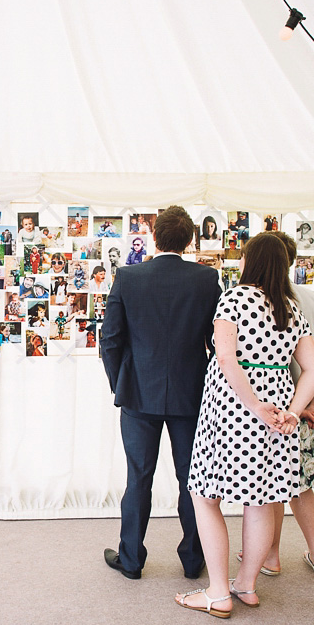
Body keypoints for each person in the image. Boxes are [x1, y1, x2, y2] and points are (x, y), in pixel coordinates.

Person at [177, 232, 314, 619]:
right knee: (260, 501)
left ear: (250, 261)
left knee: (205, 496)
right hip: (277, 410)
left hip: (233, 407)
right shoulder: (292, 307)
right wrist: (292, 410)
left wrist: (256, 405)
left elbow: (226, 358)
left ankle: (218, 592)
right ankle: (246, 584)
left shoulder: (235, 298)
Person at [100, 206, 221, 582]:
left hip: (138, 394)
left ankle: (131, 560)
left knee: (138, 478)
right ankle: (192, 559)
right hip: (192, 395)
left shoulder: (129, 277)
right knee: (193, 480)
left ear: (155, 237)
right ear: (189, 240)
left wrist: (120, 383)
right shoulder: (207, 279)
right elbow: (218, 343)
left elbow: (110, 341)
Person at [236, 231, 314, 579]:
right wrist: (309, 405)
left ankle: (271, 556)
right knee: (302, 485)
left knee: (271, 485)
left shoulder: (249, 299)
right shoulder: (312, 300)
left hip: (269, 406)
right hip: (304, 406)